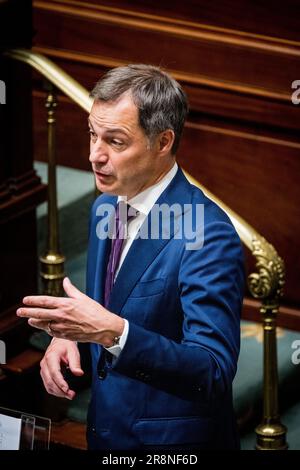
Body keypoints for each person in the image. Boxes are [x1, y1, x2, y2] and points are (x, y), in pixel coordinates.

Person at [17, 64, 245, 450]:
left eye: (116, 142)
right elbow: (117, 316)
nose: (94, 155)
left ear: (163, 142)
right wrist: (71, 338)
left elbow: (212, 370)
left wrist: (111, 331)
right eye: (92, 134)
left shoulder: (206, 234)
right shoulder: (104, 207)